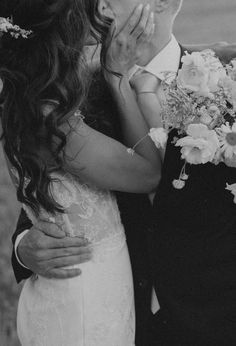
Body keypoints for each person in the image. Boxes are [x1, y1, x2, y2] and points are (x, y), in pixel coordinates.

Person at [10, 0, 236, 344]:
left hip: (216, 318)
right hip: (124, 318)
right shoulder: (73, 96)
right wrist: (24, 247)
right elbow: (52, 195)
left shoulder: (228, 73)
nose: (94, 5)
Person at [0, 1, 163, 345]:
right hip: (86, 300)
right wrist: (117, 77)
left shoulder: (32, 96)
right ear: (65, 25)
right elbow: (149, 174)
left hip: (90, 291)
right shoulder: (53, 116)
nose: (101, 6)